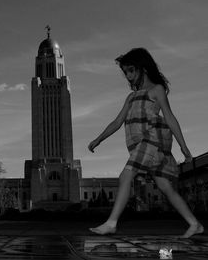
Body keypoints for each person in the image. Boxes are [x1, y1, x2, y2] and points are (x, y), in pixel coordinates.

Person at [87, 47, 204, 238]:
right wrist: (98, 139)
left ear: (143, 68)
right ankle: (195, 224)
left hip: (152, 141)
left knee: (126, 176)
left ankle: (111, 223)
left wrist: (184, 146)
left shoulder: (156, 90)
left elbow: (170, 118)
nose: (128, 76)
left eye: (131, 70)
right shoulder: (131, 97)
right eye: (125, 72)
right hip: (141, 145)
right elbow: (117, 122)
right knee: (166, 188)